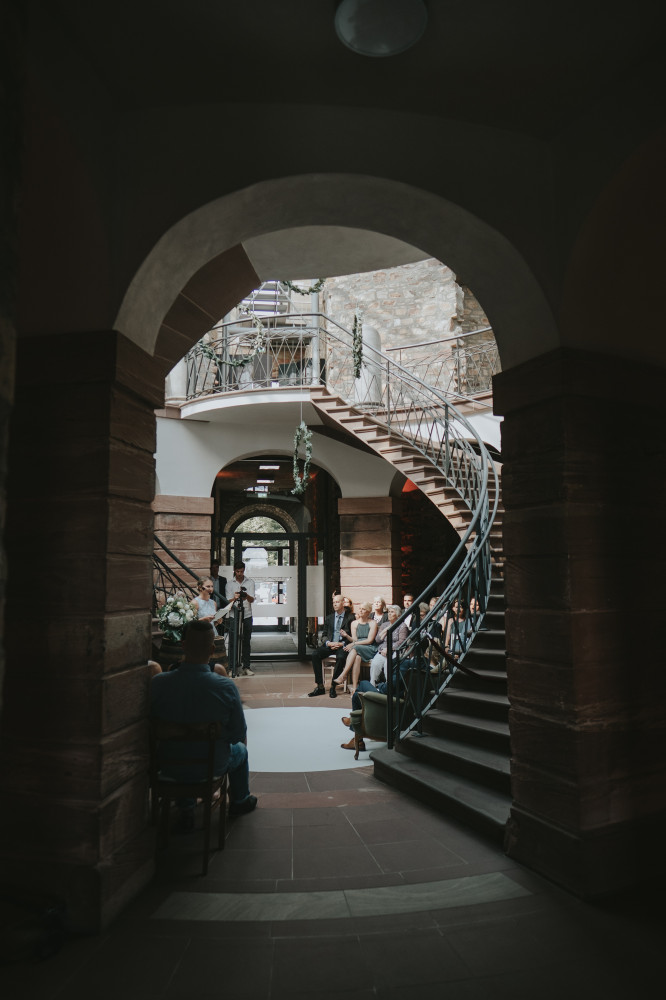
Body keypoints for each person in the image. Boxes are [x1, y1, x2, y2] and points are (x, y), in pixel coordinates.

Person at [150, 620, 257, 827]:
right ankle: (240, 800)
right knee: (240, 751)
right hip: (212, 765)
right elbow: (237, 733)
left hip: (168, 765)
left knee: (183, 749)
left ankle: (186, 808)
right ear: (211, 650)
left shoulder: (159, 683)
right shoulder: (225, 687)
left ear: (182, 645)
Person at [308, 593, 355, 698]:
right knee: (315, 654)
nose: (335, 604)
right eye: (334, 602)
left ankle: (333, 686)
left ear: (343, 603)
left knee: (341, 657)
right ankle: (320, 686)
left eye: (337, 602)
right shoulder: (329, 618)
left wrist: (341, 643)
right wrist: (329, 643)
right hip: (330, 645)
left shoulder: (351, 617)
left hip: (342, 645)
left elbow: (352, 636)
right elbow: (324, 635)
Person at [331, 601, 378, 693]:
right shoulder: (354, 623)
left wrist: (354, 644)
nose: (360, 611)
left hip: (370, 648)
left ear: (368, 612)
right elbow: (355, 640)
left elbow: (369, 641)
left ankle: (343, 675)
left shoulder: (373, 623)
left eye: (363, 609)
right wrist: (347, 637)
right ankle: (355, 688)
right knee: (357, 657)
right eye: (360, 608)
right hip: (358, 647)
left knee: (354, 648)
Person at [221, 561, 255, 677]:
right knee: (232, 642)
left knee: (246, 641)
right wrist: (235, 598)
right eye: (238, 571)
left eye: (242, 571)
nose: (240, 574)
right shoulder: (229, 584)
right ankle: (231, 667)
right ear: (234, 571)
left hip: (247, 615)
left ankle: (246, 666)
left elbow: (252, 600)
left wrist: (246, 595)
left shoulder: (250, 582)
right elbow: (227, 602)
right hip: (233, 615)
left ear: (244, 570)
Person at [369, 604, 410, 685]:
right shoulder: (385, 625)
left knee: (388, 664)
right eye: (389, 612)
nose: (389, 614)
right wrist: (384, 631)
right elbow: (377, 640)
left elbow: (402, 641)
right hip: (383, 650)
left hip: (395, 651)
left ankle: (389, 687)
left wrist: (389, 648)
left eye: (392, 612)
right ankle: (372, 685)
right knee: (375, 663)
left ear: (398, 615)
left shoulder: (402, 626)